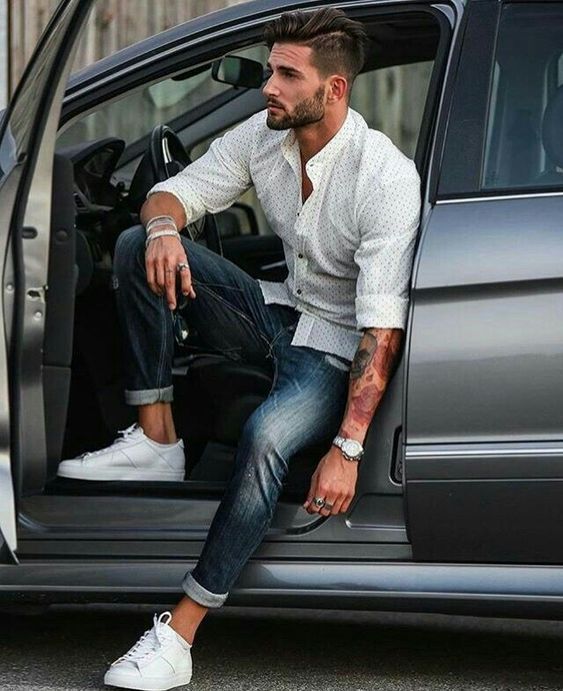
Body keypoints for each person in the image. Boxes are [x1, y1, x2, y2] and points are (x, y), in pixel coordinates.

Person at [58, 7, 421, 690]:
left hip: (332, 348)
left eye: (287, 75)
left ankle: (177, 636)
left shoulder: (384, 178)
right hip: (275, 312)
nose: (268, 87)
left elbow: (379, 330)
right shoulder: (265, 136)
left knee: (262, 437)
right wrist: (165, 227)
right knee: (139, 248)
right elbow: (175, 191)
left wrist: (345, 448)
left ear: (334, 89)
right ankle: (156, 438)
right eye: (271, 69)